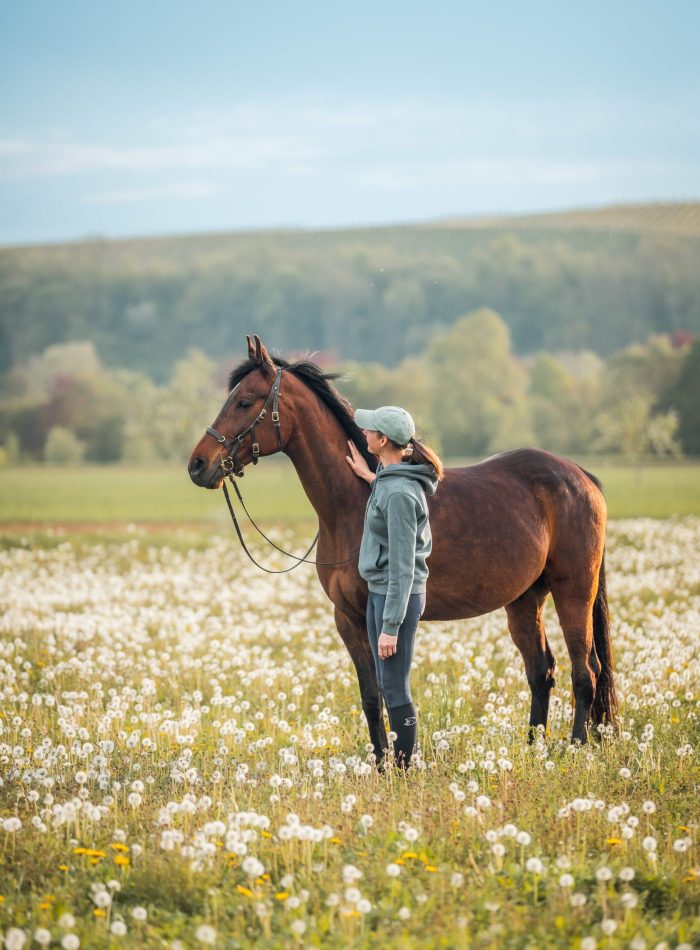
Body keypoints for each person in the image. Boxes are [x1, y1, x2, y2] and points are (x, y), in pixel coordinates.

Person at [346, 406, 444, 768]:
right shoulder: (390, 479)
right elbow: (388, 490)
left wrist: (391, 626)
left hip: (395, 595)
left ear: (382, 440)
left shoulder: (400, 493)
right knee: (387, 683)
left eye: (369, 431)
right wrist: (367, 475)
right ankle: (399, 763)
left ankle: (404, 769)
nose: (364, 434)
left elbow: (403, 567)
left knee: (395, 687)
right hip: (380, 591)